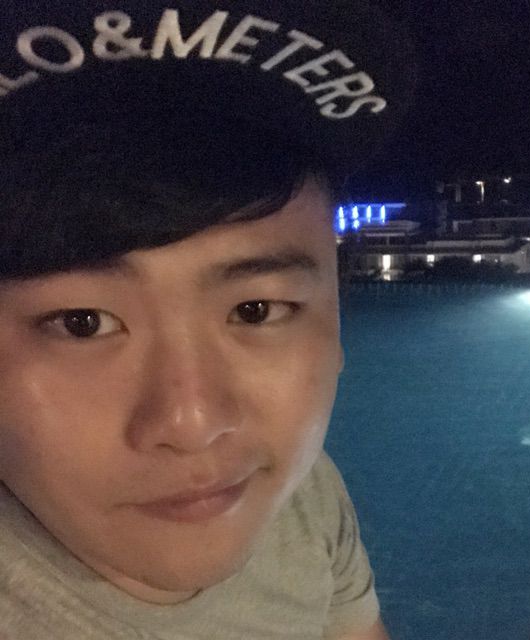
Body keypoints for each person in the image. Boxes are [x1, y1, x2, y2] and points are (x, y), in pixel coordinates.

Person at [0, 2, 415, 638]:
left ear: (336, 329)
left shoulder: (300, 500)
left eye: (256, 311)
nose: (193, 426)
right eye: (81, 322)